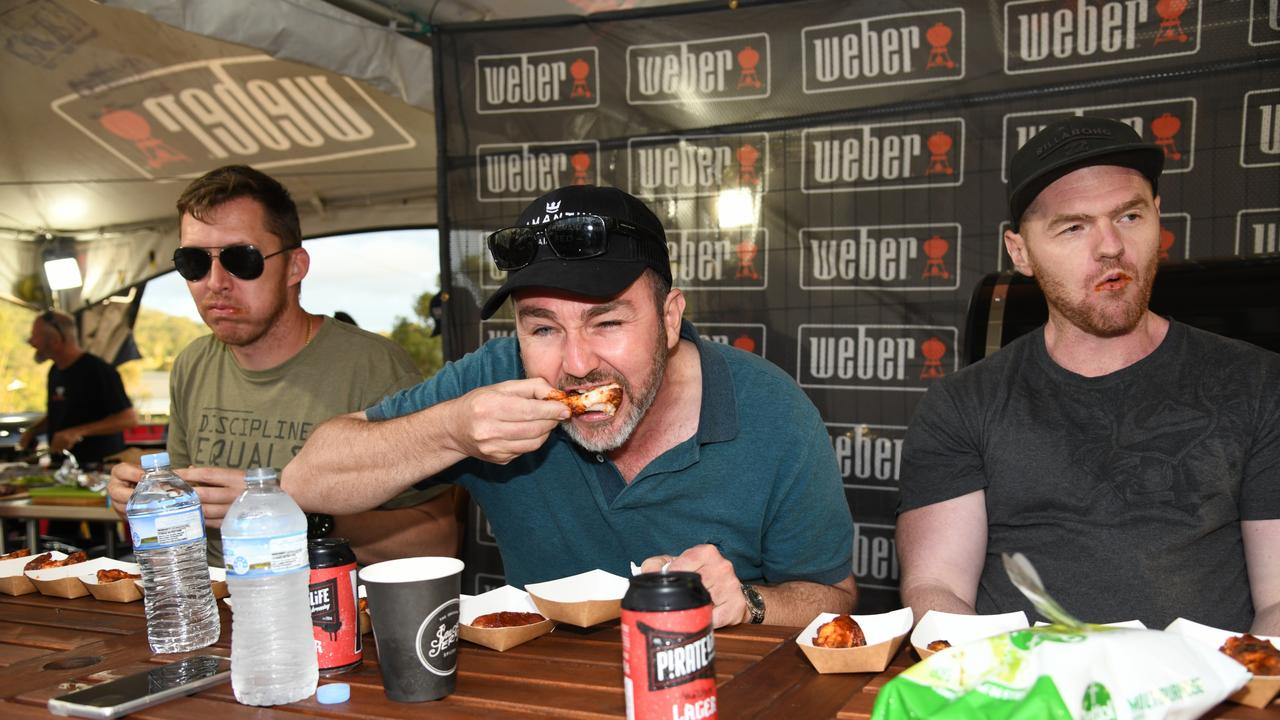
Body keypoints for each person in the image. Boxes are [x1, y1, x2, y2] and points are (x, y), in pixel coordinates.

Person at [284, 185, 856, 628]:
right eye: (543, 328)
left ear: (670, 316)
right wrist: (452, 432)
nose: (577, 363)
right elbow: (307, 480)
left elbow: (833, 598)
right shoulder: (494, 376)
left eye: (606, 322)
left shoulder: (771, 410)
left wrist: (748, 602)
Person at [896, 117, 1280, 633]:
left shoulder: (1257, 383)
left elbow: (1278, 600)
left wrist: (1238, 697)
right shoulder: (963, 405)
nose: (1109, 247)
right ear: (1020, 252)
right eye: (1073, 226)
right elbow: (937, 589)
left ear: (1157, 217)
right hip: (1027, 696)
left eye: (1128, 216)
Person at [106, 165, 457, 567]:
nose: (215, 281)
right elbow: (187, 521)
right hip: (217, 608)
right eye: (194, 262)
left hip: (326, 611)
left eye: (241, 259)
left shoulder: (372, 367)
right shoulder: (193, 365)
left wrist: (299, 509)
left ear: (295, 267)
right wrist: (144, 502)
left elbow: (437, 540)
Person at [19, 310, 137, 464]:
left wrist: (77, 432)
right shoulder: (55, 371)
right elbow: (60, 415)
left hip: (97, 469)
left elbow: (128, 419)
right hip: (63, 469)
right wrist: (33, 431)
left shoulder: (98, 370)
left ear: (55, 340)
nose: (31, 342)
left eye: (35, 336)